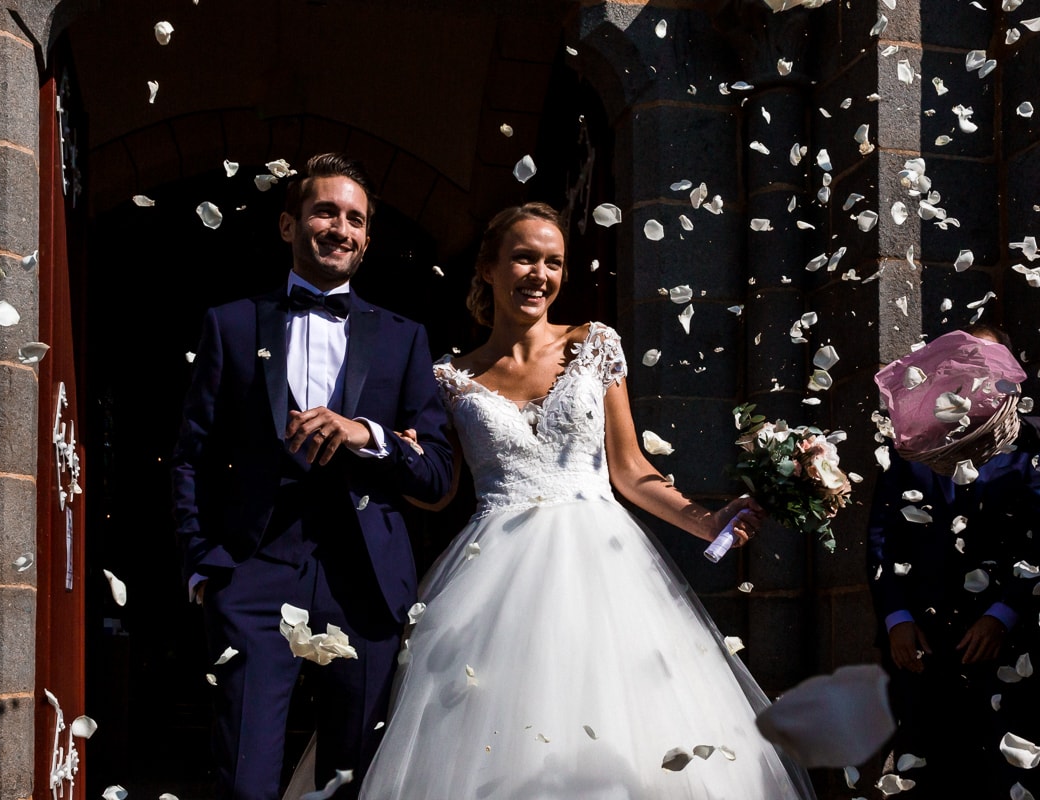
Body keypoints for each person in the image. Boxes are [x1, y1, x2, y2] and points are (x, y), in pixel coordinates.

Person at [356, 202, 816, 799]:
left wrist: (704, 521)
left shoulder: (593, 346)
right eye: (523, 257)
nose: (538, 275)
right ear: (488, 268)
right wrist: (394, 449)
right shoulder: (450, 378)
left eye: (553, 263)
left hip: (607, 564)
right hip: (493, 577)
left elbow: (629, 469)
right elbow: (439, 492)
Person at [170, 152, 454, 800]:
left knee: (352, 783)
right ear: (288, 225)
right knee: (244, 781)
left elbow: (437, 476)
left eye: (355, 218)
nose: (340, 227)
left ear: (367, 237)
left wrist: (369, 435)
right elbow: (192, 457)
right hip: (252, 575)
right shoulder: (231, 325)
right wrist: (201, 569)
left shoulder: (405, 339)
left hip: (367, 587)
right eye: (325, 211)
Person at [866, 326, 1040, 798]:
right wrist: (897, 618)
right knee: (924, 774)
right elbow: (883, 536)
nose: (970, 372)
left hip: (1008, 646)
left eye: (982, 361)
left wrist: (1003, 615)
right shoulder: (914, 445)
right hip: (921, 642)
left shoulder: (1032, 444)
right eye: (961, 360)